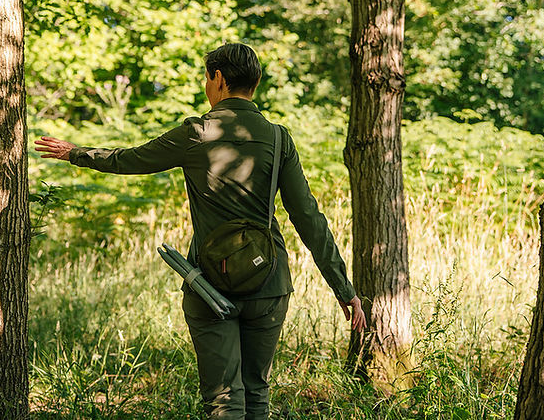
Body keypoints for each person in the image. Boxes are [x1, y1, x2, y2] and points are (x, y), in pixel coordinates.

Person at [35, 43, 366, 420]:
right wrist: (344, 289)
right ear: (255, 82)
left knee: (224, 400)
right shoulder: (278, 138)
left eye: (207, 78)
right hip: (269, 285)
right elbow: (309, 217)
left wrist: (76, 152)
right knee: (257, 395)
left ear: (218, 78)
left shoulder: (197, 133)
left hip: (210, 284)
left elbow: (130, 159)